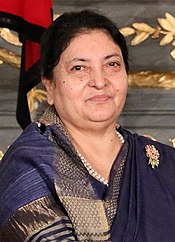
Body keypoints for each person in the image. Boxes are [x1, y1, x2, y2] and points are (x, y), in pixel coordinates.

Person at [0, 9, 175, 242]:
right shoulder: (29, 169)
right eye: (79, 68)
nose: (100, 81)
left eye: (112, 64)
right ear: (49, 86)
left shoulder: (165, 164)